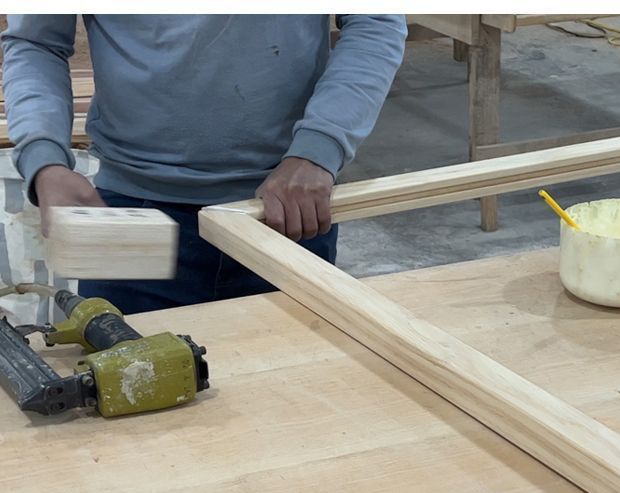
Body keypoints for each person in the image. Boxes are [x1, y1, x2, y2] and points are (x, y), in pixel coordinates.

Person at [1, 15, 407, 313]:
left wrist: (319, 147)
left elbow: (375, 21)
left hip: (287, 209)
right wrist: (45, 159)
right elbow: (35, 42)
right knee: (125, 392)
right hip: (132, 215)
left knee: (299, 392)